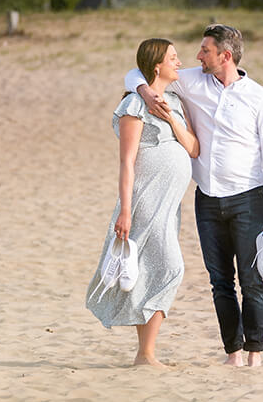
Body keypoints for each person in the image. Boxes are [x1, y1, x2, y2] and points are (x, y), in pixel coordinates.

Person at [126, 24, 263, 368]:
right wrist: (143, 90)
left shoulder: (260, 97)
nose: (198, 56)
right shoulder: (194, 81)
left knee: (251, 279)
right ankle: (232, 353)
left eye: (205, 51)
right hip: (208, 199)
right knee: (220, 282)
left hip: (249, 198)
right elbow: (136, 72)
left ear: (224, 56)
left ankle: (254, 352)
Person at [85, 39, 200, 367]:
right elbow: (127, 162)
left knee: (153, 269)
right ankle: (145, 353)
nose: (179, 62)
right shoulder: (134, 106)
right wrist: (124, 210)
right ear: (156, 67)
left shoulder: (175, 101)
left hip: (169, 204)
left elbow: (193, 148)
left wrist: (172, 120)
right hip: (146, 200)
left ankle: (145, 353)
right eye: (173, 58)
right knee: (170, 267)